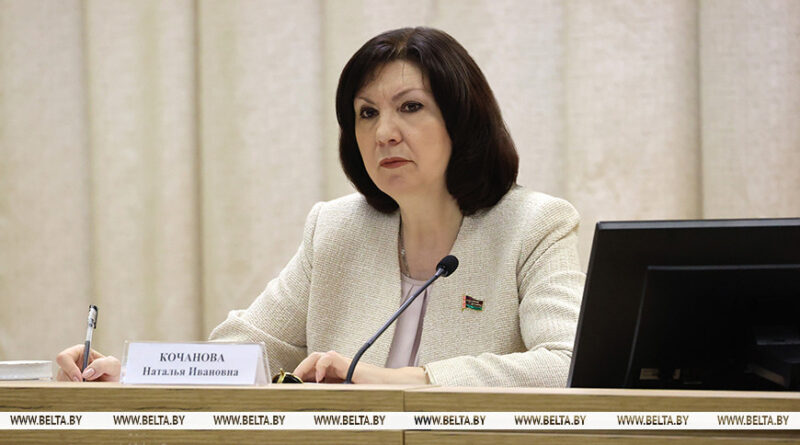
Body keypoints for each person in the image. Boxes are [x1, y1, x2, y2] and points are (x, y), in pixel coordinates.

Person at [56, 27, 584, 387]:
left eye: (410, 107)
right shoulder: (336, 228)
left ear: (462, 120)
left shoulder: (533, 225)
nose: (384, 132)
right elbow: (243, 354)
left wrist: (408, 380)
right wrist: (126, 376)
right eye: (366, 113)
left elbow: (570, 364)